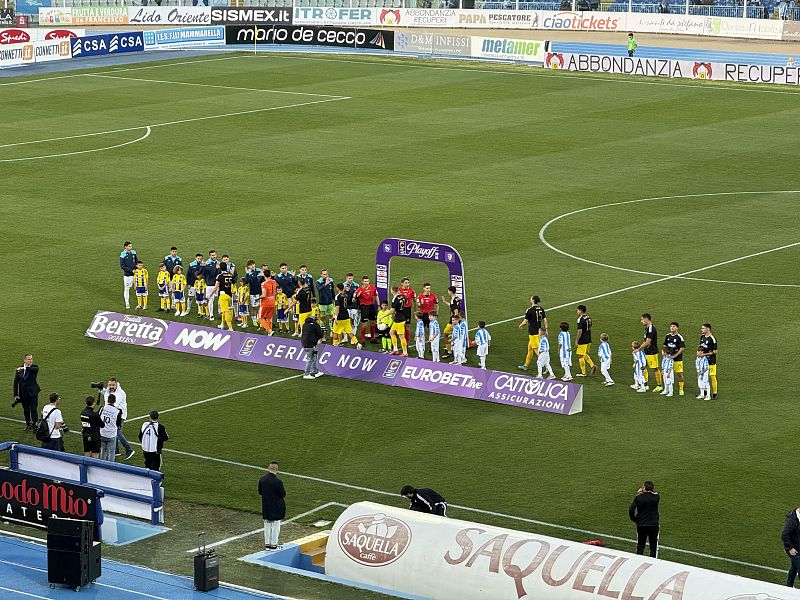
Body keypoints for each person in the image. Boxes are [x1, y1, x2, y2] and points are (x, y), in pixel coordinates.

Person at [103, 378, 134, 460]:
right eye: (110, 385)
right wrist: (101, 389)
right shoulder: (109, 390)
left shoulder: (120, 393)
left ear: (116, 384)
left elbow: (114, 404)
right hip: (112, 414)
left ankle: (129, 450)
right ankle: (116, 450)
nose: (111, 386)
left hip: (120, 416)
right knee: (115, 431)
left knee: (117, 432)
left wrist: (105, 410)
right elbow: (106, 393)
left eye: (113, 385)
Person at [259, 462, 286, 551]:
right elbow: (282, 494)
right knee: (275, 526)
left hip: (266, 506)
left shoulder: (262, 479)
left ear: (268, 468)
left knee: (267, 526)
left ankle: (267, 545)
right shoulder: (278, 482)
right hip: (276, 507)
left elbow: (260, 492)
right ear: (277, 470)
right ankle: (274, 545)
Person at [629, 481, 659, 557]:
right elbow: (653, 493)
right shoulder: (656, 497)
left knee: (640, 546)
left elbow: (631, 509)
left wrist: (634, 519)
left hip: (641, 524)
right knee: (653, 547)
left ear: (645, 488)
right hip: (653, 524)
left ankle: (639, 561)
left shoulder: (638, 498)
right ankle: (653, 562)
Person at [518, 296, 546, 372]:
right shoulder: (541, 309)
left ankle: (547, 365)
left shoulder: (529, 310)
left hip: (533, 333)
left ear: (533, 300)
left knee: (537, 350)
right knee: (530, 349)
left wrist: (520, 325)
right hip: (538, 332)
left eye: (531, 299)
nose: (530, 300)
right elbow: (545, 319)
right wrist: (546, 329)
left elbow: (525, 321)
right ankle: (526, 365)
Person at [12, 353, 40, 431]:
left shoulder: (34, 367)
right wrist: (16, 394)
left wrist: (23, 368)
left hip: (33, 392)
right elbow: (15, 382)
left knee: (33, 409)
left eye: (31, 359)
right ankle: (28, 424)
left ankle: (35, 426)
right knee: (26, 409)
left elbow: (34, 369)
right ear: (24, 360)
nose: (31, 360)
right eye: (29, 359)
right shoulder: (19, 370)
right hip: (23, 393)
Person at [640, 314, 662, 392]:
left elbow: (648, 341)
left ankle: (659, 385)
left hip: (652, 352)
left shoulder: (651, 328)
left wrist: (639, 349)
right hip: (647, 351)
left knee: (655, 368)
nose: (641, 321)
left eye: (642, 319)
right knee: (644, 367)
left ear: (646, 319)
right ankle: (645, 385)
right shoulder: (647, 328)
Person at [355, 275, 380, 344]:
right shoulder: (359, 289)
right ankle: (363, 340)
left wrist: (378, 305)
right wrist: (357, 296)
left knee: (373, 322)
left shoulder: (372, 287)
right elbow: (353, 300)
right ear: (362, 282)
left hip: (371, 306)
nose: (367, 283)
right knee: (364, 324)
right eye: (365, 281)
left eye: (368, 281)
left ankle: (372, 338)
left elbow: (376, 296)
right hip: (364, 307)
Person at [664, 322, 685, 396]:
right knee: (667, 373)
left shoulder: (679, 337)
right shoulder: (667, 336)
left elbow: (682, 348)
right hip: (668, 359)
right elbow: (665, 345)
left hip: (677, 359)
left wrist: (675, 355)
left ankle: (681, 389)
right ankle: (667, 389)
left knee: (679, 374)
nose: (672, 328)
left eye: (674, 326)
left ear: (677, 328)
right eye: (671, 326)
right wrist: (663, 352)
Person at [98, 394, 122, 462]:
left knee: (102, 450)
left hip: (102, 433)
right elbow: (118, 424)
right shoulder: (118, 411)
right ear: (115, 401)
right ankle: (110, 466)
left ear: (107, 400)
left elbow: (97, 418)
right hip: (111, 435)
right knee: (111, 452)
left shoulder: (102, 408)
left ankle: (101, 464)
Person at [441, 286, 462, 360]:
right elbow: (452, 306)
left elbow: (456, 311)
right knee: (454, 335)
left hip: (453, 321)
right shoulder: (457, 298)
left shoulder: (453, 300)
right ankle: (453, 349)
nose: (448, 292)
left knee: (445, 334)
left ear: (451, 291)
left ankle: (449, 352)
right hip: (457, 320)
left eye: (448, 291)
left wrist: (453, 323)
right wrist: (444, 301)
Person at [781, 506, 800, 587]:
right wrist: (790, 548)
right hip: (794, 550)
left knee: (794, 568)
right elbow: (784, 535)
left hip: (798, 548)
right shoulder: (792, 520)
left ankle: (788, 586)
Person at [575, 305, 596, 377]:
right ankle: (592, 365)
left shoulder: (580, 319)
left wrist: (577, 340)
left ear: (580, 310)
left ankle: (583, 373)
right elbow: (590, 327)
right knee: (583, 353)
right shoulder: (589, 318)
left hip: (583, 340)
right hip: (588, 338)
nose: (577, 312)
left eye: (577, 310)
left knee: (580, 356)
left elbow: (579, 331)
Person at [699, 323, 718, 399]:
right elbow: (701, 348)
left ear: (708, 329)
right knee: (703, 376)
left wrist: (704, 354)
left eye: (703, 328)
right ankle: (704, 393)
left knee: (712, 376)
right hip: (703, 361)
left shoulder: (712, 338)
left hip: (711, 361)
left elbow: (715, 351)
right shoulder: (702, 337)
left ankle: (714, 394)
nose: (701, 329)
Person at [120, 241, 138, 309]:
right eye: (129, 246)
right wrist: (131, 270)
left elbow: (136, 261)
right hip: (128, 275)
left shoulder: (133, 252)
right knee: (127, 289)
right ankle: (127, 303)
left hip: (135, 274)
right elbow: (122, 266)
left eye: (131, 246)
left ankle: (139, 303)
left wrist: (136, 268)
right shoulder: (123, 255)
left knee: (138, 288)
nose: (131, 247)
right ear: (126, 247)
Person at [204, 250, 221, 320]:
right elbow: (207, 274)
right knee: (211, 300)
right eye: (212, 255)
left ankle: (220, 311)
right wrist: (217, 269)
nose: (214, 256)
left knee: (220, 298)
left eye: (214, 255)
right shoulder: (207, 263)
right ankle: (211, 315)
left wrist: (218, 269)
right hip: (210, 285)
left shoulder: (218, 263)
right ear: (210, 256)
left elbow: (220, 274)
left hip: (218, 284)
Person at [343, 273, 360, 341]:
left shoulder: (356, 285)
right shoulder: (343, 285)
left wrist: (355, 299)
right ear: (346, 278)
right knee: (345, 322)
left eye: (352, 278)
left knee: (354, 323)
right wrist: (345, 291)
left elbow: (358, 296)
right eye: (349, 278)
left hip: (354, 306)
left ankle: (353, 338)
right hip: (346, 307)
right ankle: (345, 338)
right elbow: (340, 295)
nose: (351, 279)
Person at [399, 278, 416, 345]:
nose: (407, 284)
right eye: (406, 283)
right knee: (400, 325)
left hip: (407, 310)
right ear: (402, 283)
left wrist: (414, 311)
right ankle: (401, 339)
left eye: (408, 283)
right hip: (400, 310)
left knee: (407, 325)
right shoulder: (399, 290)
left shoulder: (412, 291)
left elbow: (414, 301)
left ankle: (407, 341)